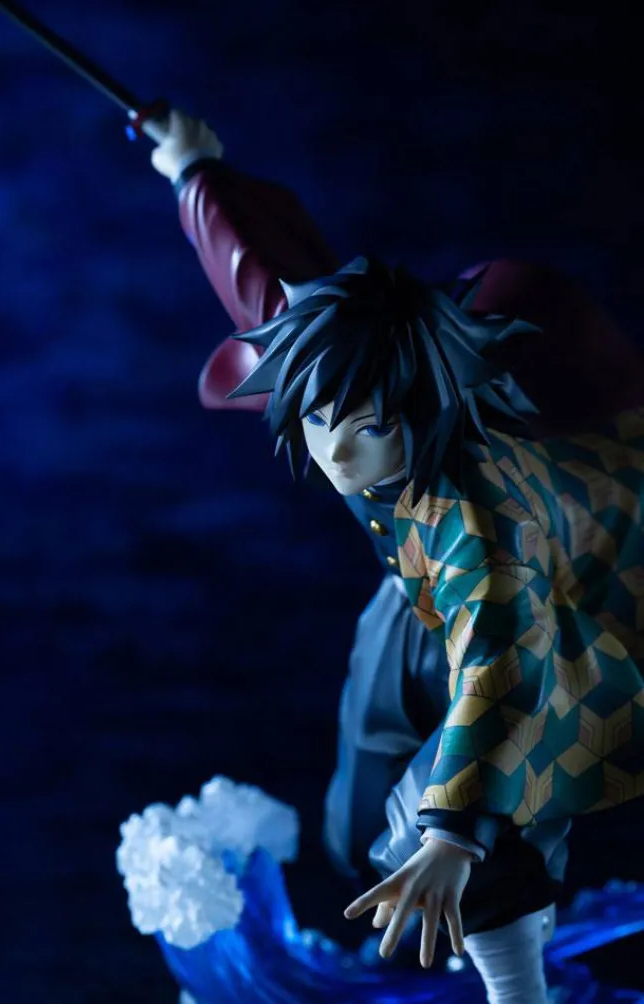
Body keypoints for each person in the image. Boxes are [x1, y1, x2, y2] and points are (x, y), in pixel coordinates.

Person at [149, 111, 644, 1004]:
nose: (337, 451)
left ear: (418, 408)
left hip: (567, 625)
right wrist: (194, 170)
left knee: (435, 820)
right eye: (319, 419)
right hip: (426, 593)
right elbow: (260, 274)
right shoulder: (328, 356)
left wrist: (454, 835)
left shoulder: (480, 514)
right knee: (358, 818)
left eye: (370, 426)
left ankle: (518, 984)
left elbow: (502, 661)